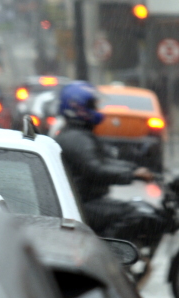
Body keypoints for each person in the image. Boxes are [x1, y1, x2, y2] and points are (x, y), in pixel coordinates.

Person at [54, 82, 154, 237]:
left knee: (139, 208)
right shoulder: (76, 138)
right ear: (78, 108)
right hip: (83, 204)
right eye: (92, 106)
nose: (96, 110)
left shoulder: (79, 134)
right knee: (133, 214)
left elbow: (105, 161)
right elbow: (96, 169)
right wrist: (132, 175)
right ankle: (111, 256)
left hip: (84, 201)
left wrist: (134, 169)